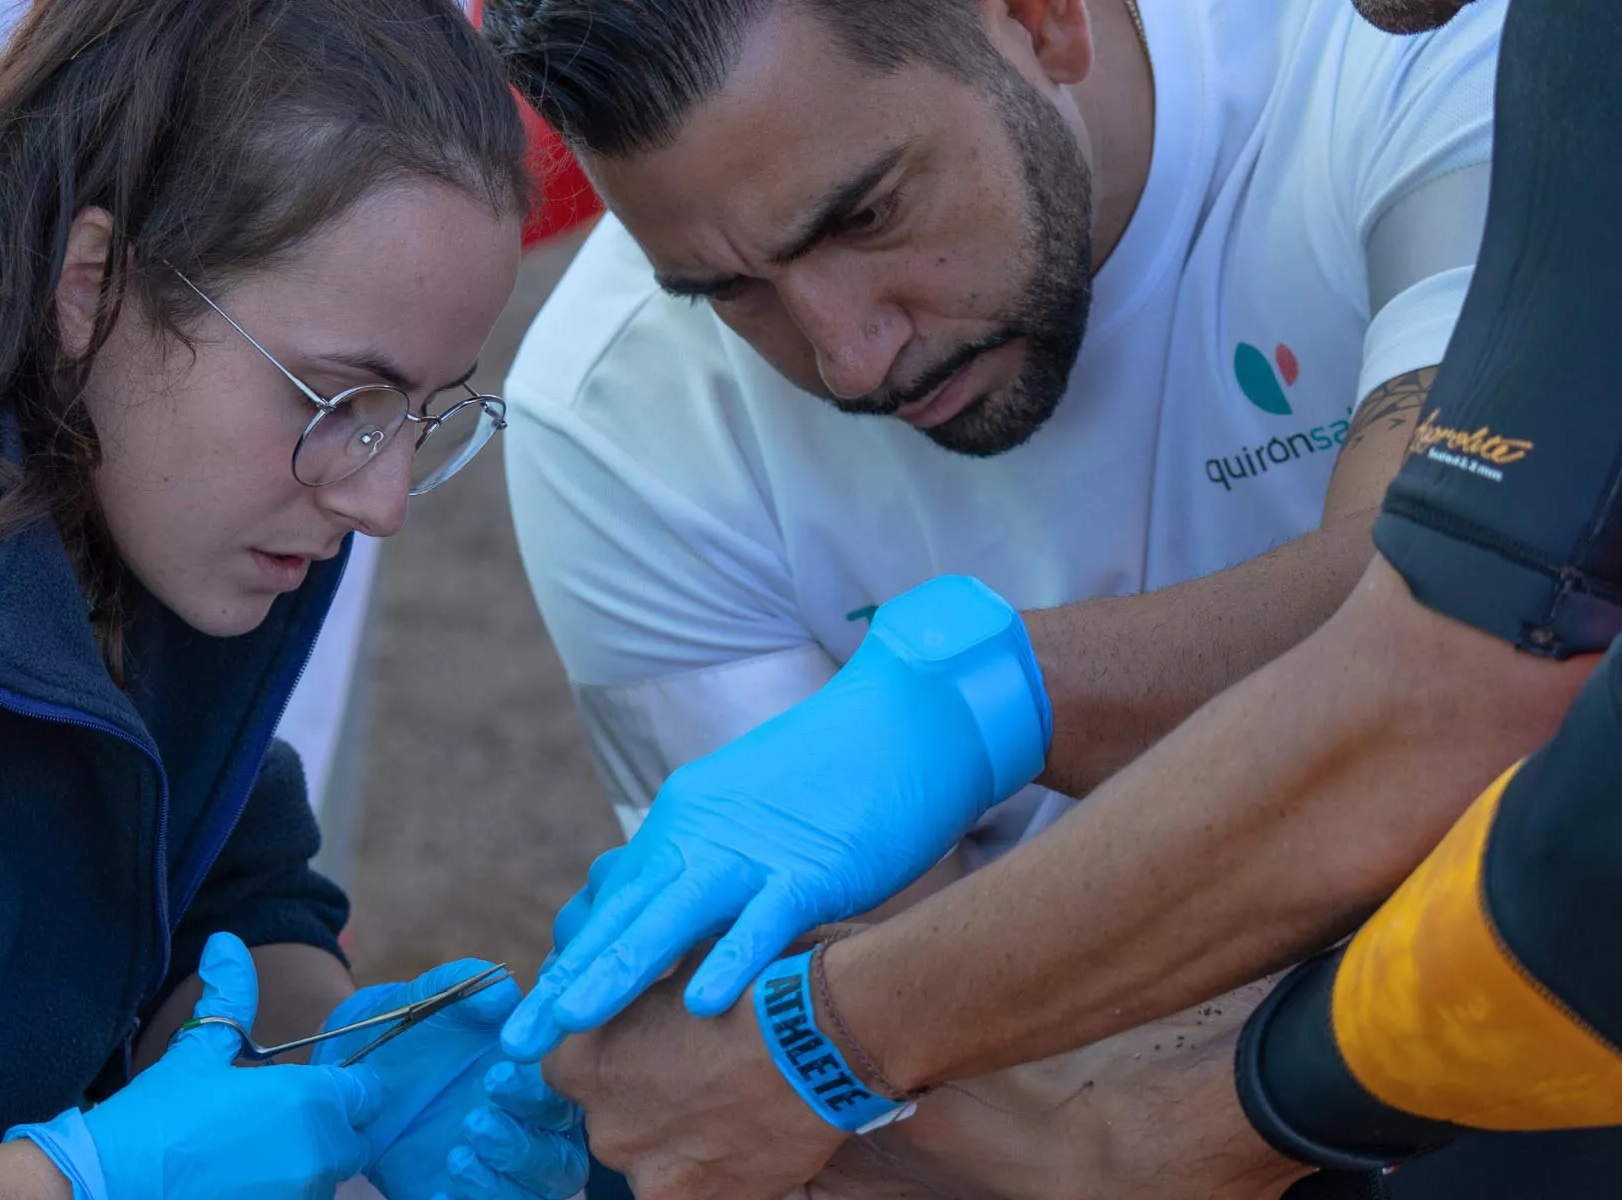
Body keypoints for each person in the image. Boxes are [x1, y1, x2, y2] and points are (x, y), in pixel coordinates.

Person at [501, 0, 1622, 1196]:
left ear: (1039, 21)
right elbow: (885, 1105)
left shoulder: (1425, 47)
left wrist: (997, 701)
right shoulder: (603, 408)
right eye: (730, 293)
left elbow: (1491, 620)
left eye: (869, 214)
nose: (850, 356)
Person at [0, 2, 587, 1198]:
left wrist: (347, 1071)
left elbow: (222, 885)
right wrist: (55, 1185)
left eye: (420, 415)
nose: (383, 501)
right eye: (337, 398)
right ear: (91, 288)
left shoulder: (152, 513)